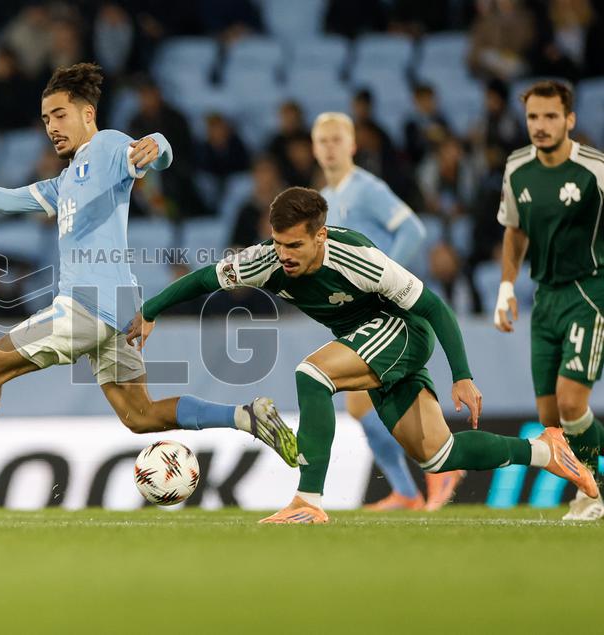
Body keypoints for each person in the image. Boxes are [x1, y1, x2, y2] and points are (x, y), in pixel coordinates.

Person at [0, 63, 297, 500]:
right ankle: (245, 416)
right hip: (118, 309)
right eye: (46, 119)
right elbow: (3, 200)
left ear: (88, 113)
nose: (52, 127)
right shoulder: (64, 182)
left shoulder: (107, 146)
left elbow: (154, 153)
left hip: (86, 306)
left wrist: (159, 143)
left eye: (60, 115)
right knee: (140, 416)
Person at [128, 186, 599, 524]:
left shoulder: (357, 259)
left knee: (312, 373)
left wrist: (462, 374)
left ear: (321, 236)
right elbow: (206, 278)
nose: (284, 254)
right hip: (368, 344)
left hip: (402, 331)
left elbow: (433, 307)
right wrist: (151, 311)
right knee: (438, 455)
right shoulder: (266, 260)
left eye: (295, 245)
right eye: (278, 242)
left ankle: (308, 500)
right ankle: (546, 451)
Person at [312, 112, 454, 511]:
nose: (330, 147)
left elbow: (413, 229)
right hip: (359, 312)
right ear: (314, 148)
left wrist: (384, 277)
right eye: (323, 140)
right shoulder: (325, 197)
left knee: (371, 397)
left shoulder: (367, 189)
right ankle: (409, 489)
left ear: (353, 145)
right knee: (362, 403)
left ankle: (439, 467)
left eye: (337, 139)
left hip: (385, 307)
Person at [494, 80, 604, 520]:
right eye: (533, 117)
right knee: (552, 420)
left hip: (590, 292)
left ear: (569, 120)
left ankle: (593, 495)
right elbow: (514, 230)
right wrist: (506, 286)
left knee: (573, 402)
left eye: (550, 116)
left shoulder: (595, 170)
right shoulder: (517, 167)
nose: (540, 125)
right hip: (546, 299)